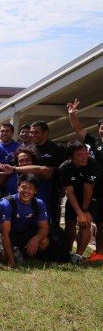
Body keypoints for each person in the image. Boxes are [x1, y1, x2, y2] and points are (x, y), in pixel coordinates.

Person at [67, 98, 103, 260]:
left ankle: (100, 252)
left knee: (102, 223)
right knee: (91, 221)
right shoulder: (95, 141)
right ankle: (91, 253)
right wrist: (72, 115)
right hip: (92, 186)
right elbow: (80, 130)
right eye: (102, 127)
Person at [59, 141, 99, 263]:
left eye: (85, 153)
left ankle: (78, 256)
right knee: (70, 224)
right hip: (74, 197)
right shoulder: (64, 167)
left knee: (85, 223)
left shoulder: (93, 164)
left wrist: (84, 211)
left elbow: (89, 188)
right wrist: (78, 212)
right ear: (71, 156)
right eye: (80, 154)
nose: (84, 157)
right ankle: (68, 251)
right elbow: (69, 191)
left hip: (92, 196)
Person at [0, 173, 50, 267]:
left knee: (44, 242)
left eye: (30, 188)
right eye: (24, 187)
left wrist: (36, 239)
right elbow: (4, 234)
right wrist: (11, 261)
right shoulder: (7, 203)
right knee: (3, 256)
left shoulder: (39, 203)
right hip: (10, 235)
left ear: (35, 191)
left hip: (25, 234)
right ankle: (12, 255)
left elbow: (44, 228)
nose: (26, 191)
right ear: (18, 188)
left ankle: (20, 253)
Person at [31, 120, 67, 225]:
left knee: (51, 220)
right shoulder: (27, 149)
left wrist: (63, 187)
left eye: (36, 132)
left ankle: (53, 239)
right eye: (32, 132)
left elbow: (64, 170)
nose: (33, 135)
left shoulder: (57, 149)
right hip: (32, 191)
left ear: (45, 133)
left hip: (52, 191)